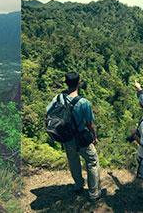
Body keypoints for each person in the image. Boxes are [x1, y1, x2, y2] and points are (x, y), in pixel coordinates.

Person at [47, 71, 101, 201]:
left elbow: (48, 113)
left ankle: (78, 185)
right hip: (81, 138)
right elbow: (90, 123)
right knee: (92, 162)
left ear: (66, 83)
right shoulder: (83, 102)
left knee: (73, 161)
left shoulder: (58, 98)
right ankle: (94, 193)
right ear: (79, 82)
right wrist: (94, 137)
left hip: (67, 138)